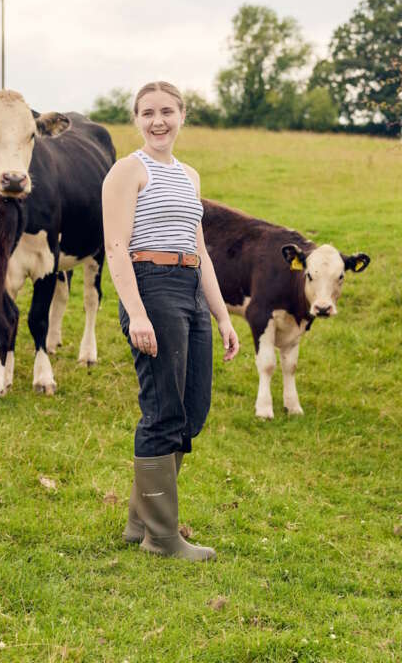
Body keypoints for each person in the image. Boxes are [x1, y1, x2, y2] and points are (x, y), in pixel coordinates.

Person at [102, 81, 239, 562]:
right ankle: (161, 538)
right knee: (163, 409)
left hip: (189, 289)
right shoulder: (126, 171)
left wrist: (222, 317)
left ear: (182, 115)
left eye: (166, 111)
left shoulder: (189, 176)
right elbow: (116, 246)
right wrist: (136, 311)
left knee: (193, 410)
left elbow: (200, 250)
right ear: (136, 120)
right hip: (150, 285)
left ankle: (140, 521)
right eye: (147, 113)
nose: (157, 121)